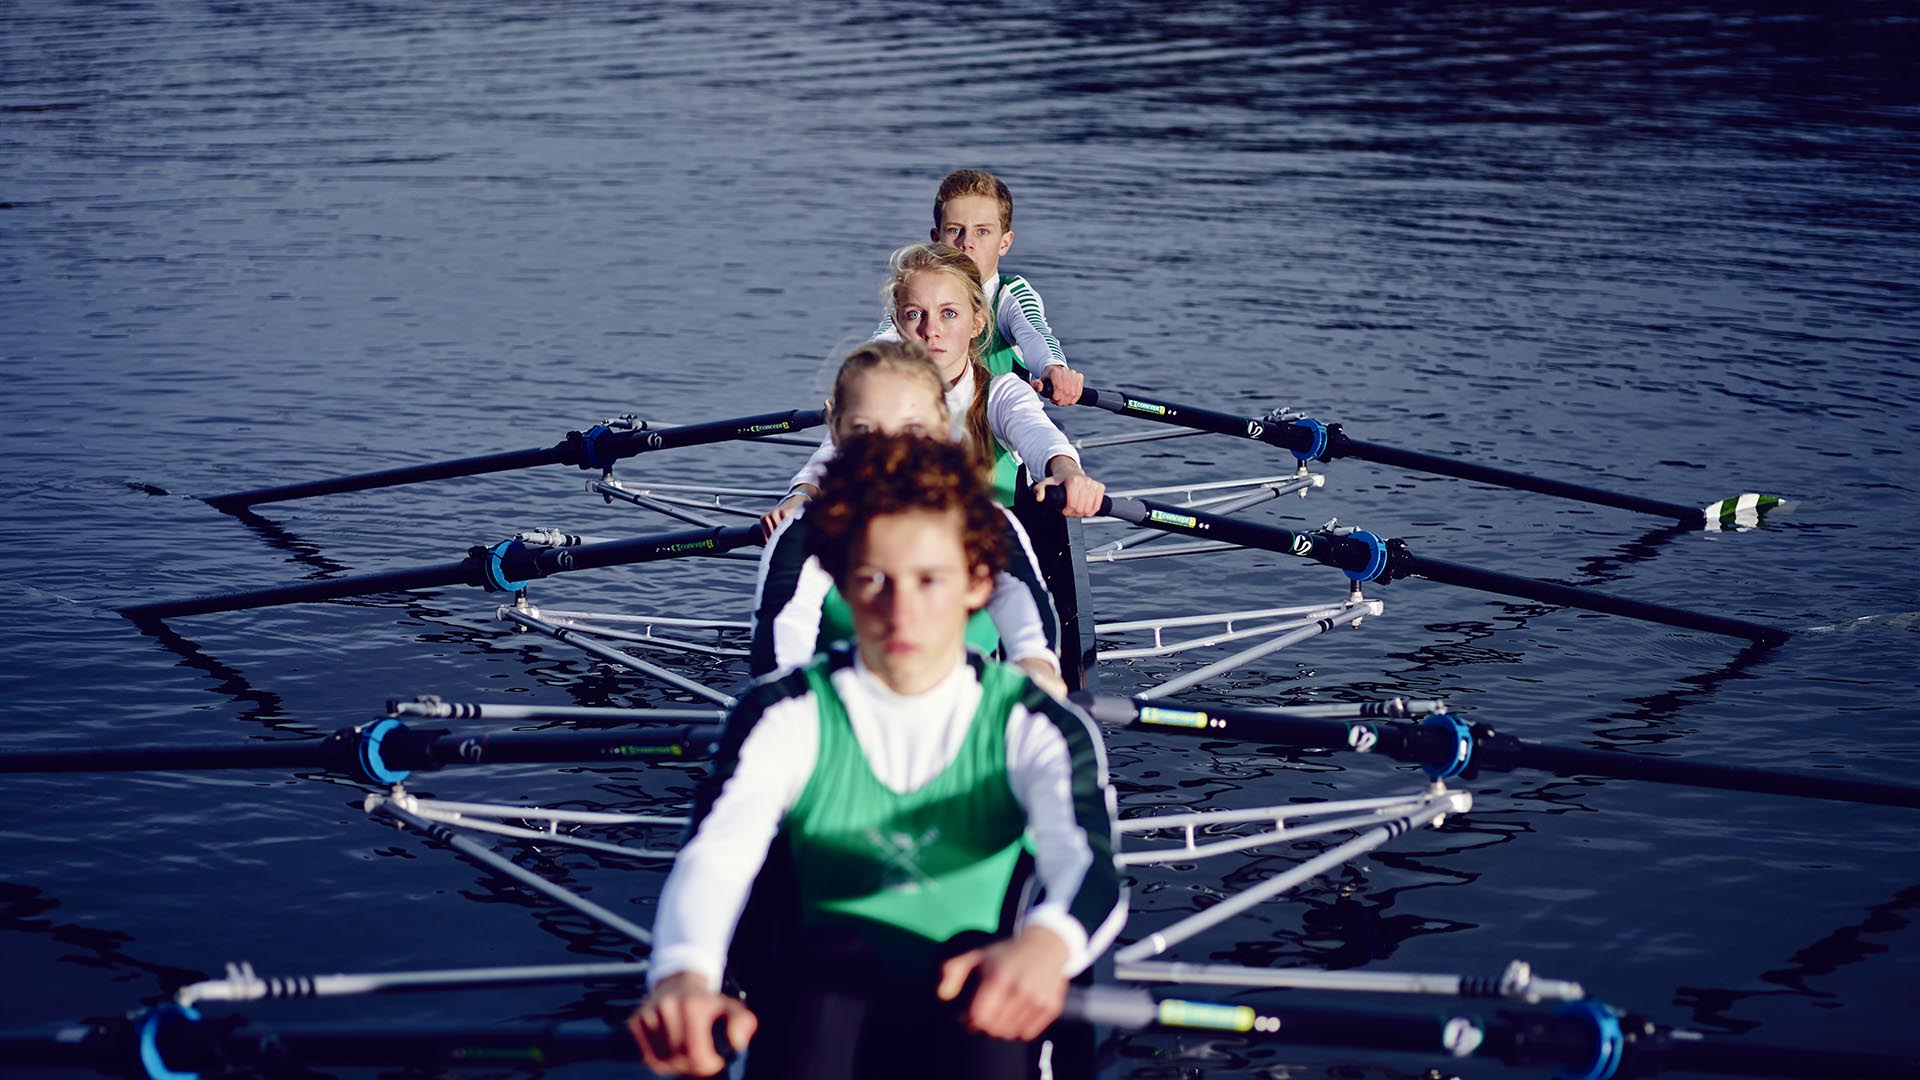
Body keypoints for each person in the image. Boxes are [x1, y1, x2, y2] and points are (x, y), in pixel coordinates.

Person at [631, 434, 1124, 1080]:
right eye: (873, 579)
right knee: (827, 968)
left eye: (929, 580)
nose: (901, 612)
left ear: (979, 583)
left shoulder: (1036, 724)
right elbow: (716, 859)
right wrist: (682, 974)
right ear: (840, 579)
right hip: (819, 1016)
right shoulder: (782, 715)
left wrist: (1047, 945)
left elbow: (1089, 865)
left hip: (978, 1006)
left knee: (974, 971)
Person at [751, 338, 1067, 695]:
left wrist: (1036, 665)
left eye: (912, 429)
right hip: (841, 709)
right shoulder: (807, 529)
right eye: (865, 430)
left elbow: (1024, 613)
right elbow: (784, 637)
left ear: (942, 429)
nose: (888, 450)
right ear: (836, 430)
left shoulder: (986, 522)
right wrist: (787, 699)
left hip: (967, 709)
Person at [762, 242, 1105, 533]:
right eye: (915, 315)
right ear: (898, 324)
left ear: (977, 322)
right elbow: (830, 457)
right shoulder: (880, 400)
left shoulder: (1002, 393)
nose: (931, 330)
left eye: (949, 314)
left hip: (984, 554)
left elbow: (1041, 437)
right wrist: (800, 496)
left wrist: (1068, 472)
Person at [890, 169, 1087, 407]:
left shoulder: (1011, 295)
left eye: (982, 231)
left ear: (1004, 243)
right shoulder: (915, 294)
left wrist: (1054, 366)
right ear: (936, 238)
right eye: (954, 230)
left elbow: (1035, 332)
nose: (966, 243)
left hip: (1002, 424)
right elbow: (883, 337)